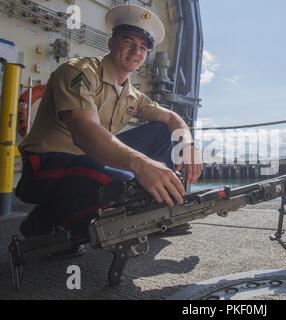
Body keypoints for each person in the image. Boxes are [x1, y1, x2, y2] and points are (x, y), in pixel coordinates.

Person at [15, 4, 202, 255]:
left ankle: (158, 210)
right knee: (122, 186)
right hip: (45, 166)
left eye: (144, 48)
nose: (137, 52)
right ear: (111, 43)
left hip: (87, 161)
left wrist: (187, 145)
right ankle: (44, 221)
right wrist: (140, 164)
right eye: (129, 42)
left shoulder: (132, 95)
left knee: (161, 131)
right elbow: (84, 132)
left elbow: (171, 117)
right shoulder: (79, 71)